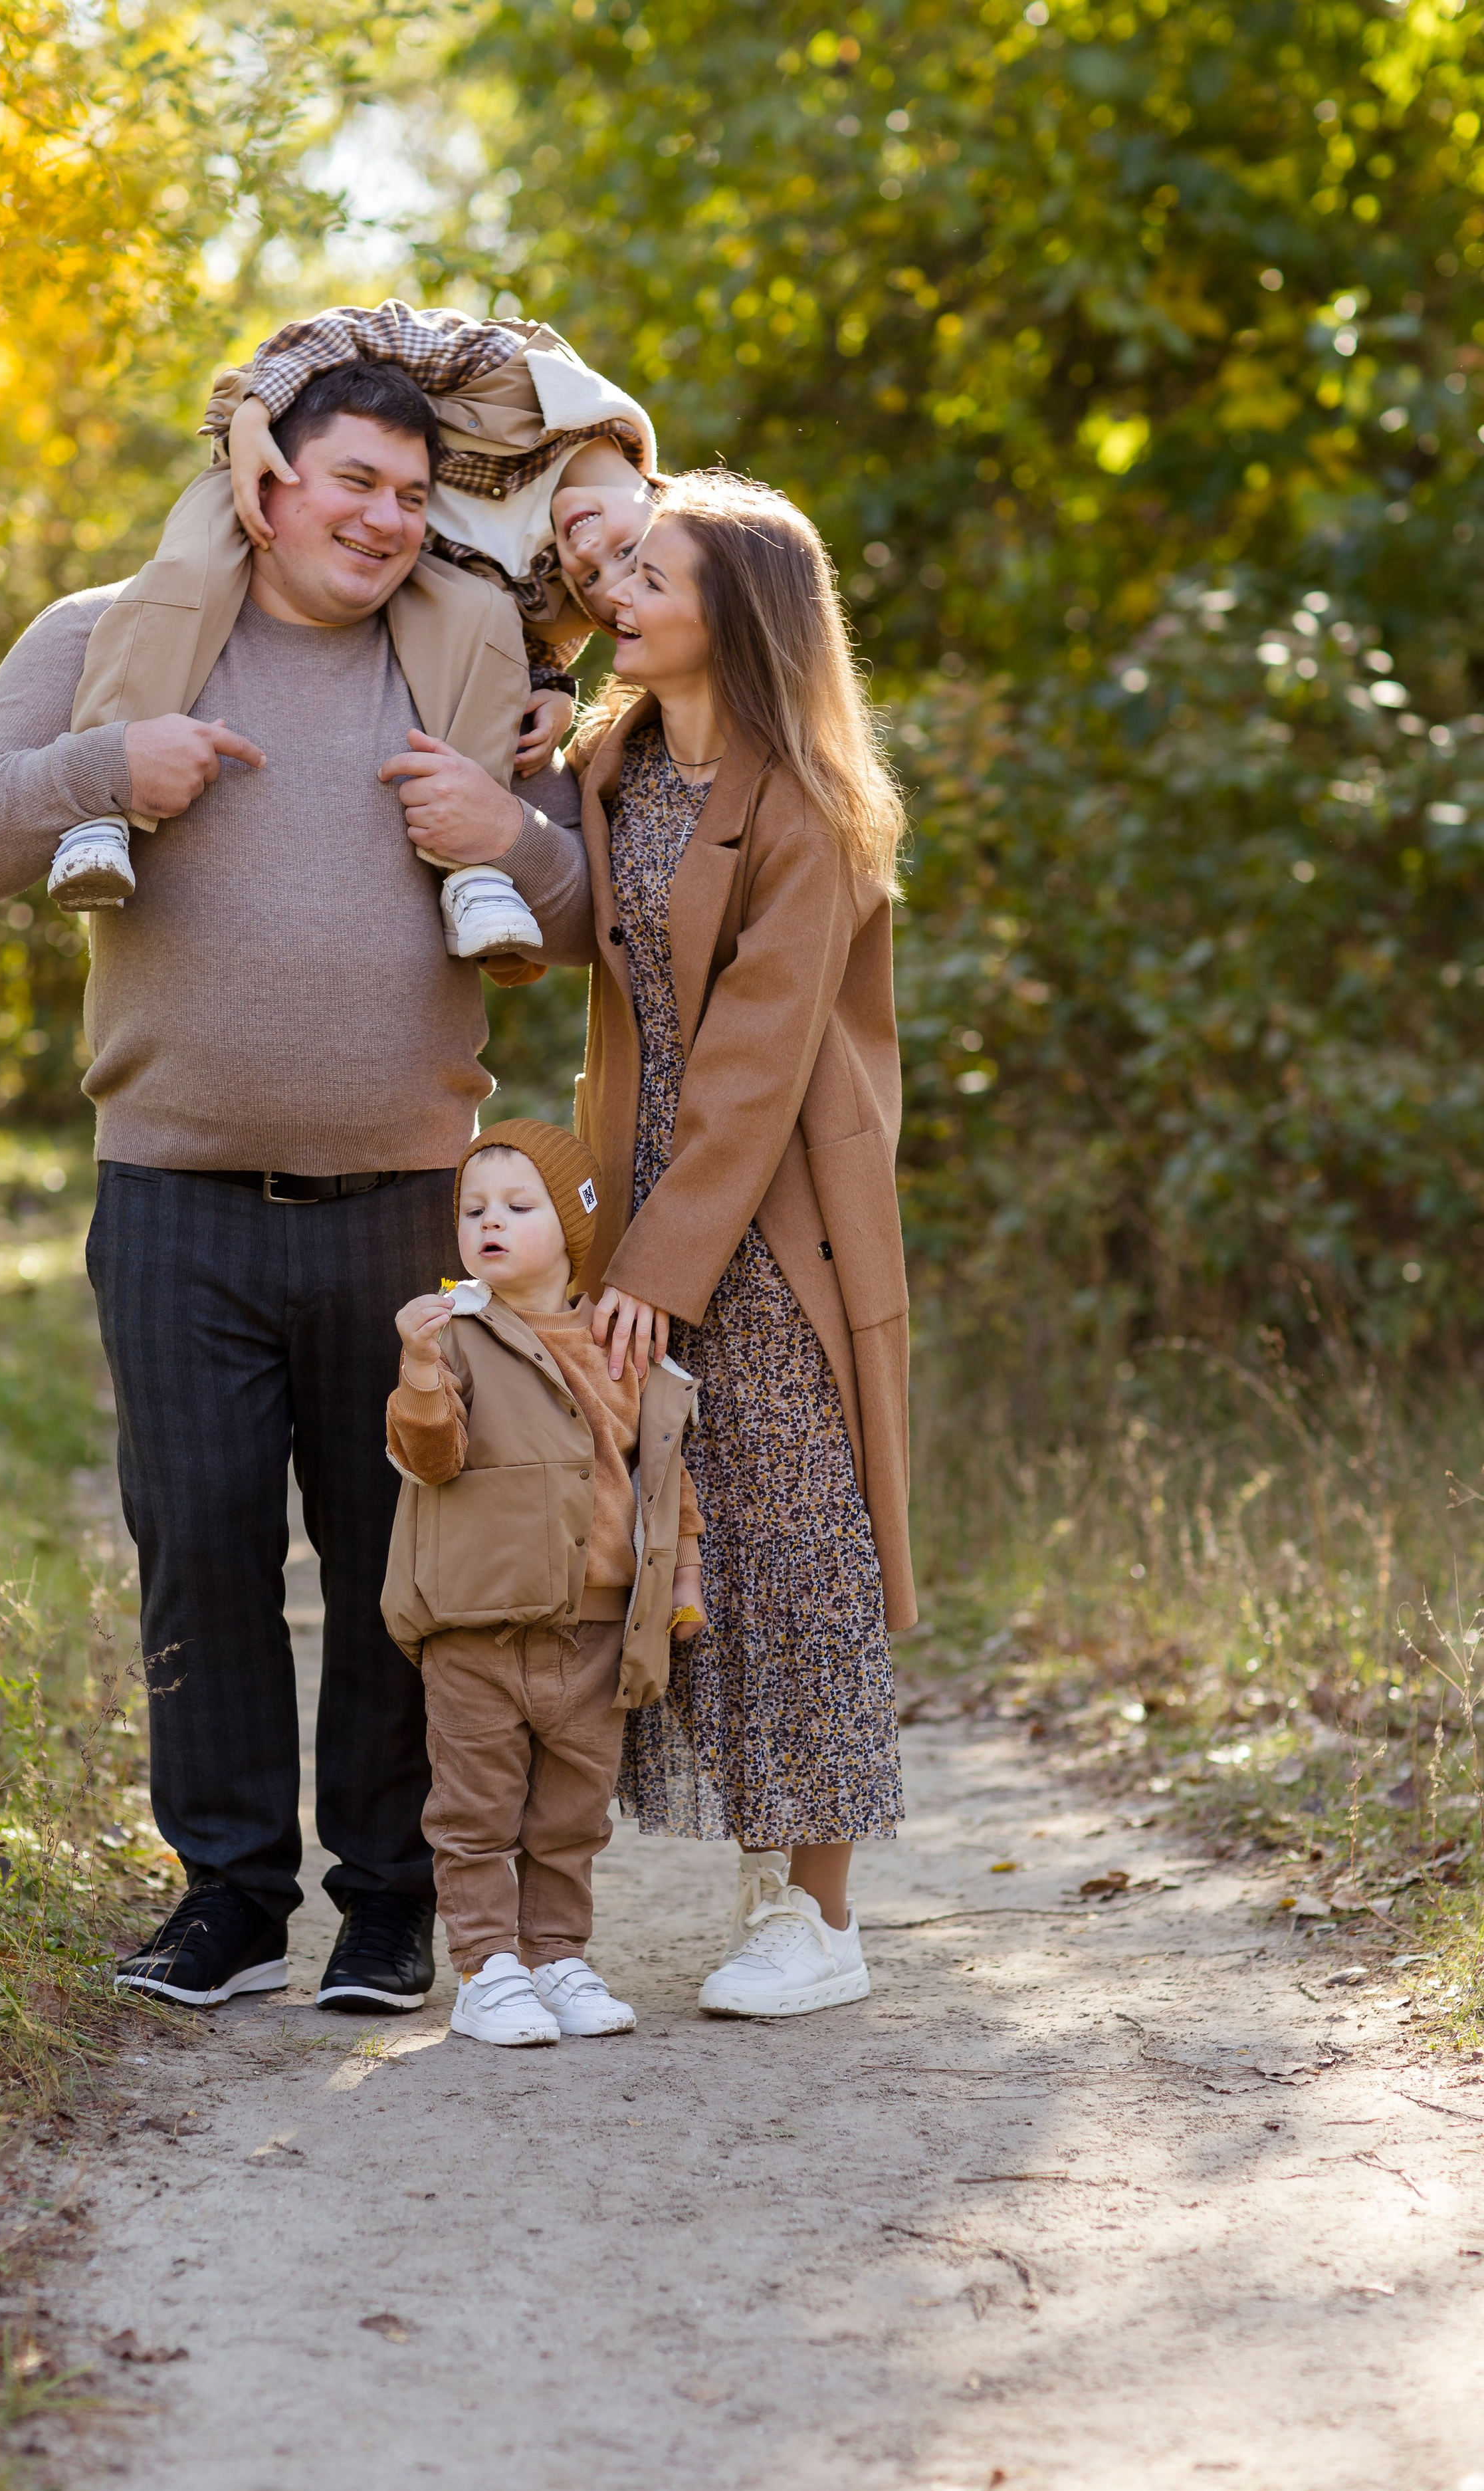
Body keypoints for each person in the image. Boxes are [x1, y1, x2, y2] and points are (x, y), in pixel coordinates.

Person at [0, 358, 597, 2016]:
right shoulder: (112, 630)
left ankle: (388, 1901)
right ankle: (226, 1895)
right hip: (173, 1192)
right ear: (261, 480)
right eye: (350, 480)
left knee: (396, 1551)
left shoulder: (470, 663)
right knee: (199, 1541)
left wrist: (505, 825)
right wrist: (102, 772)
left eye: (411, 495)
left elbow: (580, 918)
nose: (381, 518)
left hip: (401, 1205)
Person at [571, 469, 920, 2020]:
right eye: (622, 567)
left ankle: (819, 1918)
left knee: (792, 1545)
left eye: (653, 574)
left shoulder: (812, 804)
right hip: (637, 1194)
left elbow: (756, 1061)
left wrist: (661, 1264)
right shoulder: (613, 760)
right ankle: (754, 1890)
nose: (617, 591)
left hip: (766, 1215)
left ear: (740, 617)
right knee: (675, 1532)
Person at [47, 300, 661, 961]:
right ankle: (100, 813)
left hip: (390, 560)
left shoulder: (554, 581)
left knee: (481, 619)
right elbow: (357, 331)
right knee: (192, 570)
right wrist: (255, 414)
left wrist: (552, 690)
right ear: (663, 494)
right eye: (627, 555)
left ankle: (471, 875)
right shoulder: (530, 379)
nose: (588, 557)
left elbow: (530, 646)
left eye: (593, 585)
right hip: (265, 455)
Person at [381, 1118, 704, 2048]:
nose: (491, 1223)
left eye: (520, 1207)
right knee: (474, 1813)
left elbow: (664, 1474)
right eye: (474, 1209)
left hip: (597, 1632)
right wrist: (416, 1367)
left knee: (570, 1817)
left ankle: (557, 1956)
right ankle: (488, 1970)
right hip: (476, 1627)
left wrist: (685, 1577)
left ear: (572, 1227)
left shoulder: (619, 1342)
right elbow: (428, 1457)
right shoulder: (455, 1335)